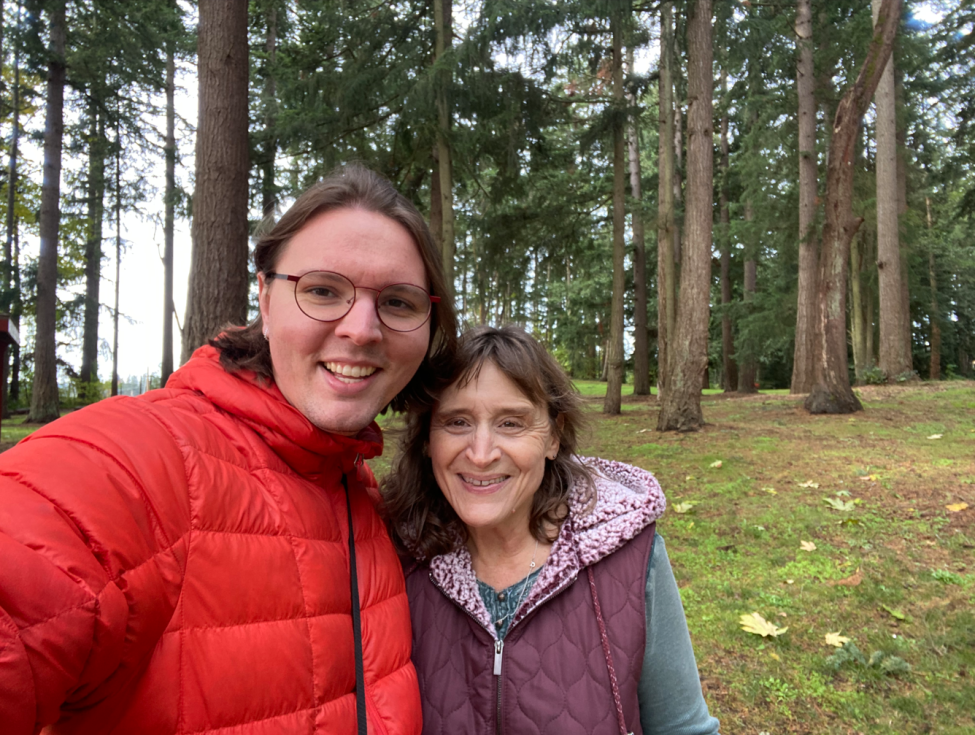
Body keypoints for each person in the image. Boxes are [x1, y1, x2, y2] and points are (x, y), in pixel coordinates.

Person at [0, 165, 456, 735]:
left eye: (398, 301)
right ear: (265, 300)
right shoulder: (141, 458)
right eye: (321, 290)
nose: (362, 329)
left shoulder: (359, 495)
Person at [383, 325, 720, 735]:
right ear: (426, 439)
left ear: (553, 437)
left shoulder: (633, 558)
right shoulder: (391, 558)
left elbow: (683, 728)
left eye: (511, 423)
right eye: (456, 422)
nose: (481, 453)